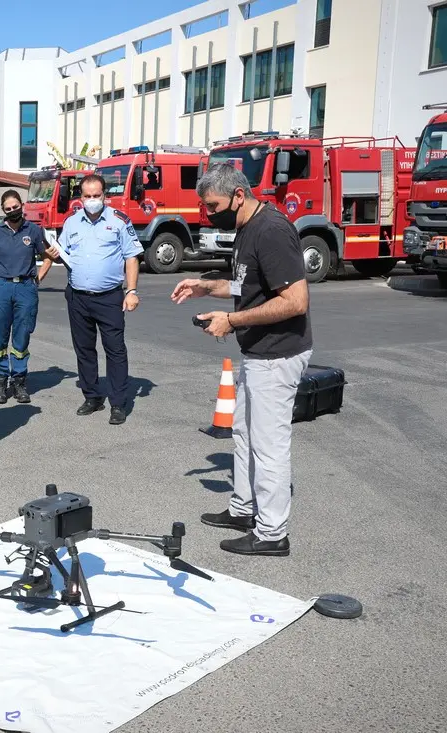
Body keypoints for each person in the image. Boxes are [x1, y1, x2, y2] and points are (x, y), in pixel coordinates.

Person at [172, 162, 312, 557]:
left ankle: (272, 534)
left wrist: (231, 320)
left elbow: (296, 301)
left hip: (278, 355)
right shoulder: (246, 228)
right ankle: (244, 509)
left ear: (238, 195)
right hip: (258, 353)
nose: (209, 214)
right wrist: (206, 287)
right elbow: (247, 285)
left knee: (269, 447)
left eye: (214, 206)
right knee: (245, 435)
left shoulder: (271, 230)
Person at [46, 173, 142, 425]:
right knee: (84, 349)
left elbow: (131, 257)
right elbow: (63, 254)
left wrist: (131, 291)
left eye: (96, 195)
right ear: (80, 197)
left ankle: (118, 403)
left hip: (109, 297)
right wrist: (54, 254)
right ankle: (92, 396)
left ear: (104, 195)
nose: (92, 200)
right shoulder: (71, 223)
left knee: (115, 349)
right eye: (87, 196)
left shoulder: (119, 221)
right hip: (78, 297)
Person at [0, 189, 53, 404]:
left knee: (22, 336)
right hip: (1, 288)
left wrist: (38, 278)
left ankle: (19, 381)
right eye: (8, 208)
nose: (12, 211)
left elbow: (48, 256)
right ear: (3, 210)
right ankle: (0, 382)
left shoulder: (34, 230)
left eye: (15, 207)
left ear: (22, 205)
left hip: (25, 288)